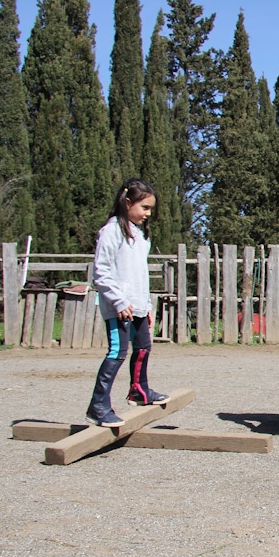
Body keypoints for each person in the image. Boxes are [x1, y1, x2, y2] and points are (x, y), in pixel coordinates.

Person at [85, 179, 170, 428]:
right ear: (128, 202)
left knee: (143, 347)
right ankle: (98, 405)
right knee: (117, 352)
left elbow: (138, 275)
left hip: (137, 306)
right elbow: (101, 272)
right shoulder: (111, 231)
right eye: (144, 207)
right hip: (119, 308)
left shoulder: (139, 235)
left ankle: (139, 391)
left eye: (150, 209)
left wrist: (147, 305)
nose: (148, 214)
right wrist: (120, 301)